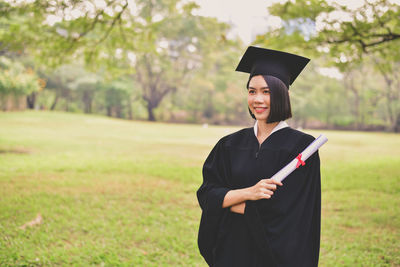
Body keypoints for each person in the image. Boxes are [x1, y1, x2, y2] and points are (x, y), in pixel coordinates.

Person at [197, 46, 321, 267]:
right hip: (231, 252)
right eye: (252, 91)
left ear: (284, 94)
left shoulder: (302, 148)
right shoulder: (229, 145)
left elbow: (294, 213)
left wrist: (226, 202)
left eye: (267, 91)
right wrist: (249, 193)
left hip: (275, 258)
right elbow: (206, 195)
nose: (258, 99)